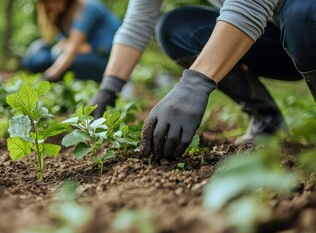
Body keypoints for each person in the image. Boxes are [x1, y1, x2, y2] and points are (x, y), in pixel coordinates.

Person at [89, 0, 316, 160]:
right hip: (270, 37)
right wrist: (109, 89)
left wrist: (195, 83)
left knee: (301, 14)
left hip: (305, 25)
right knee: (176, 27)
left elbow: (251, 5)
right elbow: (137, 23)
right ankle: (268, 123)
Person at [21, 0, 121, 82]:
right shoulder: (65, 15)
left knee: (55, 58)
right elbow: (64, 45)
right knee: (36, 55)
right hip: (85, 54)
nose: (53, 5)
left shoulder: (86, 8)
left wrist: (47, 78)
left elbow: (70, 52)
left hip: (105, 61)